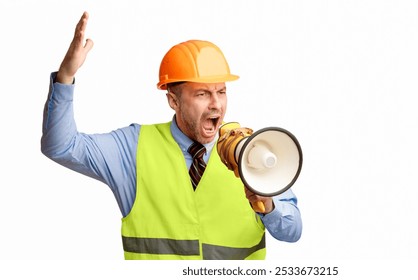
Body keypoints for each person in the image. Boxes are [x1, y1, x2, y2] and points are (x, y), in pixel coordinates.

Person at [41, 12, 302, 260]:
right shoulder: (132, 149)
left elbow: (292, 231)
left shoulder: (254, 150)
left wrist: (268, 205)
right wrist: (66, 77)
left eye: (221, 92)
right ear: (173, 101)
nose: (216, 105)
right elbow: (61, 146)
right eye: (202, 94)